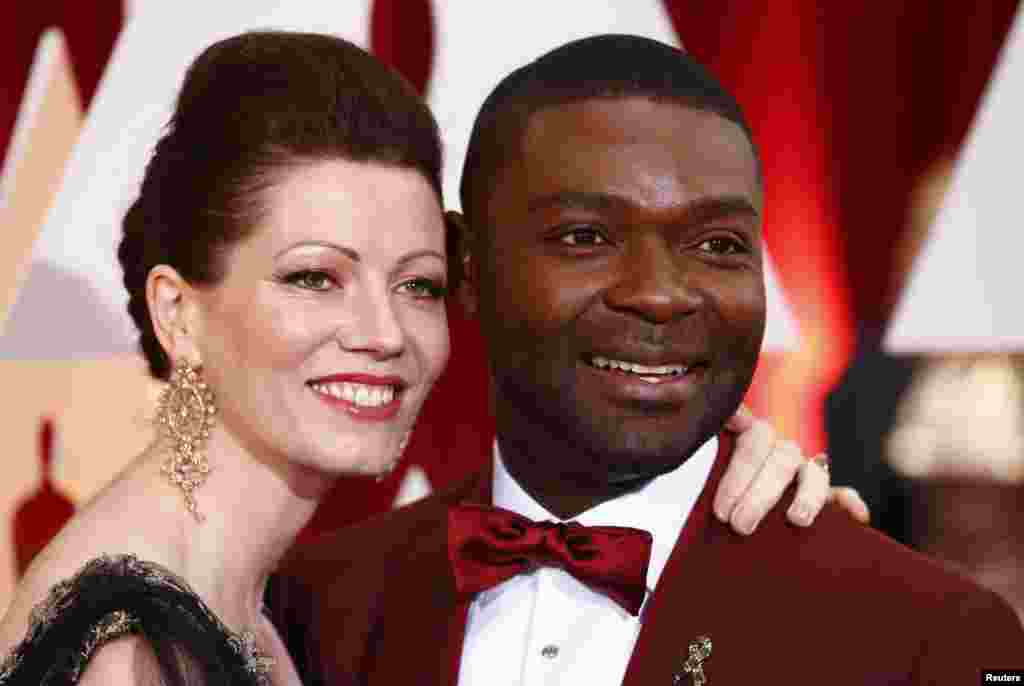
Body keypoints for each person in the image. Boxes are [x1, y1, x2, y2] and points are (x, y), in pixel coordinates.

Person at [0, 31, 853, 685]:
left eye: (417, 286)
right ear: (177, 313)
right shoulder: (126, 648)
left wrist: (716, 465)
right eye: (314, 278)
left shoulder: (270, 600)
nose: (383, 332)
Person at [271, 34, 1024, 686]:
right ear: (467, 267)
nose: (662, 296)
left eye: (718, 245)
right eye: (586, 237)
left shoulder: (936, 637)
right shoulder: (317, 607)